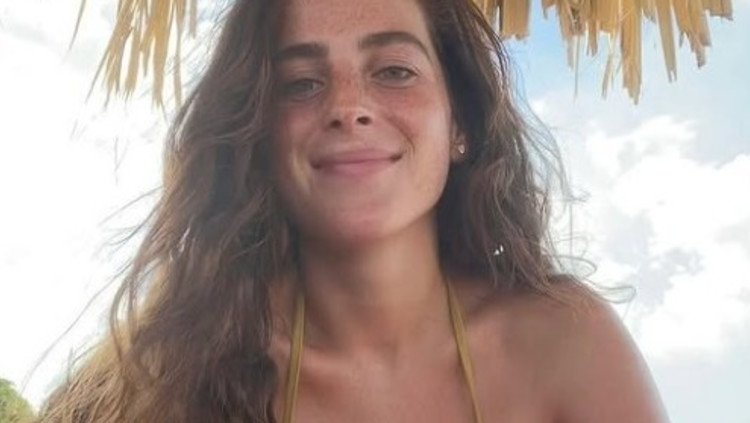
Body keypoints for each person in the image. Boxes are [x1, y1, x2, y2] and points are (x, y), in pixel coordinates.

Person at [38, 0, 669, 421]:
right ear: (258, 138)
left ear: (460, 125)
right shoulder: (165, 379)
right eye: (301, 83)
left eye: (394, 71)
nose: (347, 107)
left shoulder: (567, 344)